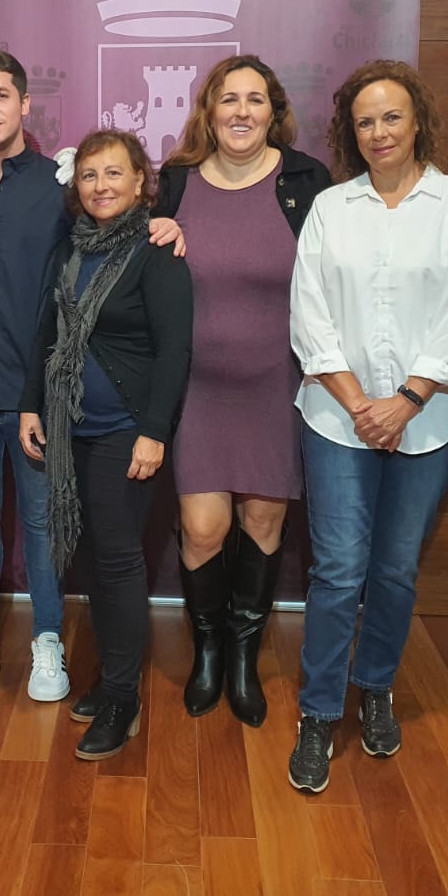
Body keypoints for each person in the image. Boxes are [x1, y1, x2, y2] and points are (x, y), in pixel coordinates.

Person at [0, 50, 185, 710]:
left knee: (44, 524)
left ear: (24, 103)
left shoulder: (56, 187)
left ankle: (47, 639)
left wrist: (164, 221)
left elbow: (108, 243)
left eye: (2, 94)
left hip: (40, 395)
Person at [286, 60, 448, 794]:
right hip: (337, 418)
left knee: (395, 568)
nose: (379, 132)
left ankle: (374, 687)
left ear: (417, 121)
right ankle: (317, 711)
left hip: (429, 419)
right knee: (339, 568)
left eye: (392, 116)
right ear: (350, 131)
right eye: (365, 120)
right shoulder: (332, 207)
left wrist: (403, 401)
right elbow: (309, 313)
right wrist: (359, 403)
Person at [153, 55, 331, 727]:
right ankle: (205, 652)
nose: (242, 112)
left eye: (256, 100)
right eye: (230, 99)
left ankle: (240, 661)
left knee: (263, 524)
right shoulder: (173, 184)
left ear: (273, 110)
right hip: (196, 388)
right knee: (203, 528)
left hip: (277, 386)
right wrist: (152, 236)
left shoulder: (306, 182)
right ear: (209, 109)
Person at [19, 130, 193, 760]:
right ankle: (109, 677)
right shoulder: (69, 249)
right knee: (90, 557)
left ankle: (123, 698)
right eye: (89, 175)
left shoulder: (156, 251)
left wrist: (153, 431)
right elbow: (47, 332)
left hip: (125, 430)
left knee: (118, 561)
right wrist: (29, 406)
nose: (101, 186)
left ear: (141, 181)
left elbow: (175, 350)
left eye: (114, 174)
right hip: (70, 429)